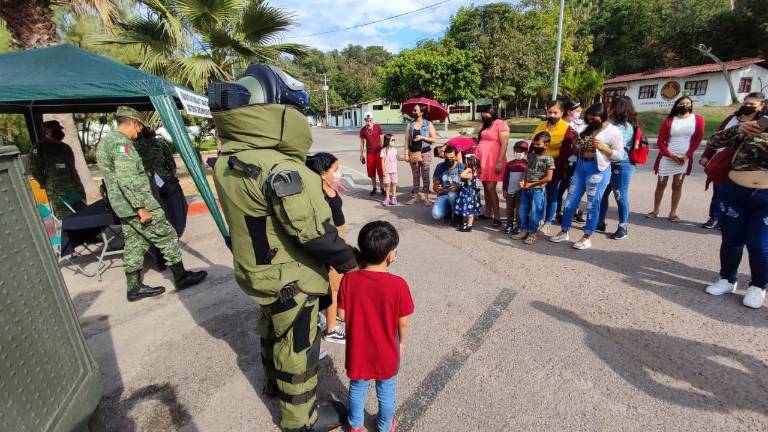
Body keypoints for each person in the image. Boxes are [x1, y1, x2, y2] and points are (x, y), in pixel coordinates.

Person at [210, 63, 357, 432]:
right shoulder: (282, 169)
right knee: (298, 349)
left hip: (255, 272)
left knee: (270, 330)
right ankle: (299, 420)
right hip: (290, 279)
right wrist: (351, 261)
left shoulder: (230, 160)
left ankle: (272, 386)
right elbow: (314, 235)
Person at [96, 106, 207, 301]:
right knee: (168, 235)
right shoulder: (122, 145)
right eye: (139, 127)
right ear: (133, 122)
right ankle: (181, 277)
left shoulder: (107, 141)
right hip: (137, 204)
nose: (139, 132)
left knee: (135, 243)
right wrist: (141, 207)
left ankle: (133, 287)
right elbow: (128, 179)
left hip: (123, 205)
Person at [339, 221, 413, 432]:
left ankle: (355, 425)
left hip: (358, 349)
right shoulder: (399, 285)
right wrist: (402, 342)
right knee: (386, 390)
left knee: (357, 387)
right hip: (386, 350)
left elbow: (343, 314)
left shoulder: (349, 280)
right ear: (390, 255)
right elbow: (404, 321)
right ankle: (384, 425)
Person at [702, 118, 768, 309]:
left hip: (765, 199)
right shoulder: (749, 128)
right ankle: (727, 279)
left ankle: (758, 286)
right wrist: (738, 130)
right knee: (731, 240)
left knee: (759, 244)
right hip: (735, 192)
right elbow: (713, 142)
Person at [550, 103, 625, 250]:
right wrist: (576, 144)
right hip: (581, 166)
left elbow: (620, 155)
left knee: (592, 204)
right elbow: (578, 150)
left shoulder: (614, 132)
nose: (591, 121)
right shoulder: (585, 128)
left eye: (594, 119)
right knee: (571, 201)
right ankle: (564, 231)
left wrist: (603, 148)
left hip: (598, 170)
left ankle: (587, 236)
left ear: (603, 116)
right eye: (589, 119)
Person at [699, 92, 765, 229]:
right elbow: (715, 139)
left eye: (752, 104)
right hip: (725, 160)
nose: (747, 106)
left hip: (752, 175)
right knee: (719, 191)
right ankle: (714, 217)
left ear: (761, 106)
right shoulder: (732, 120)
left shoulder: (762, 124)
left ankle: (727, 221)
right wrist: (706, 155)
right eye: (746, 103)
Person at [305, 152, 347, 344]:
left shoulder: (328, 185)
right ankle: (331, 328)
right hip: (330, 241)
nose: (338, 173)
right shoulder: (316, 193)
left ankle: (338, 315)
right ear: (322, 173)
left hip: (339, 237)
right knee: (333, 285)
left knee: (338, 280)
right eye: (335, 170)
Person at [135, 127, 189, 269]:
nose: (150, 140)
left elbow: (170, 162)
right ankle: (162, 259)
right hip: (148, 189)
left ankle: (171, 251)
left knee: (171, 217)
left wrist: (171, 177)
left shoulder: (160, 144)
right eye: (147, 137)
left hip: (165, 185)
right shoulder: (135, 147)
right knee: (159, 222)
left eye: (151, 137)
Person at [648, 96, 705, 222]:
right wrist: (670, 155)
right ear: (676, 105)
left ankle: (673, 213)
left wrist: (687, 155)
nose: (685, 105)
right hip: (668, 156)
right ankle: (655, 210)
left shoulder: (698, 120)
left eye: (688, 103)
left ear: (691, 105)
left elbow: (697, 140)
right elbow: (660, 141)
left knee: (677, 185)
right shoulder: (669, 121)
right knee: (661, 184)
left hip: (683, 158)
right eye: (682, 103)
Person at [596, 96, 640, 240]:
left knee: (620, 195)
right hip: (608, 163)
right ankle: (600, 222)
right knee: (602, 193)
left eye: (611, 106)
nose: (609, 109)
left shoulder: (624, 127)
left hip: (622, 165)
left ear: (618, 108)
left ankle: (623, 226)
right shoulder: (611, 123)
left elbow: (612, 147)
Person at [530, 100, 575, 232]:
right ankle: (538, 218)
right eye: (550, 112)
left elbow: (567, 152)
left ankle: (549, 220)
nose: (553, 115)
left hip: (555, 167)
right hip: (537, 166)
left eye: (556, 112)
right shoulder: (541, 125)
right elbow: (533, 144)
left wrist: (550, 165)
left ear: (562, 113)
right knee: (538, 193)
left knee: (552, 194)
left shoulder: (567, 128)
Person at [29, 120, 86, 218]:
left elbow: (72, 168)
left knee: (85, 217)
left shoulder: (65, 147)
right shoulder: (38, 148)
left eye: (60, 129)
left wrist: (79, 188)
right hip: (59, 194)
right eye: (56, 130)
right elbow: (35, 170)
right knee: (68, 221)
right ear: (46, 132)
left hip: (76, 190)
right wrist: (48, 184)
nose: (59, 132)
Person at [512, 132, 554, 245]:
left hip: (538, 190)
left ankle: (533, 232)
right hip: (526, 187)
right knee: (522, 211)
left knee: (535, 212)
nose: (535, 146)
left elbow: (549, 178)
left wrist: (533, 184)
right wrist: (523, 180)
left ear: (546, 144)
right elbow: (526, 169)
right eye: (534, 144)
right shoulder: (531, 155)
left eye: (538, 145)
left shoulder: (548, 159)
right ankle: (524, 230)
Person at [475, 107, 510, 227]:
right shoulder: (485, 125)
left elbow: (504, 143)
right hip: (482, 159)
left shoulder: (500, 123)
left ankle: (497, 217)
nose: (484, 116)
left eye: (487, 114)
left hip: (494, 160)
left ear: (492, 113)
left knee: (490, 187)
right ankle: (487, 213)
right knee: (485, 186)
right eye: (483, 115)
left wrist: (500, 161)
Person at [558, 100, 586, 224]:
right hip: (564, 161)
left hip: (576, 161)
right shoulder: (561, 124)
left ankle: (574, 210)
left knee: (574, 188)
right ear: (569, 111)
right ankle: (558, 211)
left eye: (580, 111)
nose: (579, 113)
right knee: (560, 188)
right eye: (577, 111)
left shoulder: (578, 124)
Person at [405, 104, 437, 206]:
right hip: (413, 153)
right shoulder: (410, 125)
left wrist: (422, 137)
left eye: (415, 110)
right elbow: (406, 141)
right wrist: (406, 153)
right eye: (413, 110)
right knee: (415, 175)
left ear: (421, 113)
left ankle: (426, 198)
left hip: (425, 153)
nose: (413, 112)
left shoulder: (428, 124)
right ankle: (415, 197)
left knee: (425, 175)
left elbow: (434, 139)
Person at [431, 146, 465, 222]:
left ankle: (458, 214)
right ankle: (448, 210)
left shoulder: (461, 167)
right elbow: (435, 186)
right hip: (443, 194)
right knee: (436, 215)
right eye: (446, 157)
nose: (449, 159)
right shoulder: (440, 167)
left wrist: (458, 188)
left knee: (452, 195)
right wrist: (436, 188)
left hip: (457, 196)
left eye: (451, 157)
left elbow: (467, 186)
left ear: (456, 157)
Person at [502, 140, 529, 236]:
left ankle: (518, 225)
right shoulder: (509, 164)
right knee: (509, 209)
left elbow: (527, 178)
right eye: (517, 150)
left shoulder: (527, 164)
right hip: (510, 190)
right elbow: (505, 178)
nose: (519, 153)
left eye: (522, 151)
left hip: (521, 191)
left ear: (526, 152)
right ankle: (509, 224)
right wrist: (504, 189)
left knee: (519, 210)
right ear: (514, 151)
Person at [454, 155, 483, 232]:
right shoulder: (473, 172)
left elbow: (462, 175)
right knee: (467, 210)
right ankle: (466, 225)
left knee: (469, 210)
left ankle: (468, 226)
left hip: (468, 194)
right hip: (468, 193)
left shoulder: (470, 173)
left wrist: (468, 169)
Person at [359, 112, 384, 196]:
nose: (368, 122)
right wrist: (361, 154)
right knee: (371, 171)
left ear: (372, 119)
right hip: (369, 153)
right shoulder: (363, 130)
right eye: (366, 120)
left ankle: (382, 188)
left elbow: (382, 139)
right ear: (364, 120)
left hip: (378, 153)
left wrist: (383, 151)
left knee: (380, 171)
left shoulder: (377, 127)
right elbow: (362, 143)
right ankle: (374, 188)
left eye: (370, 120)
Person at [380, 134, 402, 207]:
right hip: (387, 171)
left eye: (394, 140)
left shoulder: (395, 149)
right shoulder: (383, 150)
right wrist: (383, 170)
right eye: (392, 140)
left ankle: (394, 198)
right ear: (387, 141)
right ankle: (387, 198)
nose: (394, 141)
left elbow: (398, 158)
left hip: (394, 171)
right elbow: (382, 161)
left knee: (394, 184)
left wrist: (405, 158)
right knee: (387, 185)